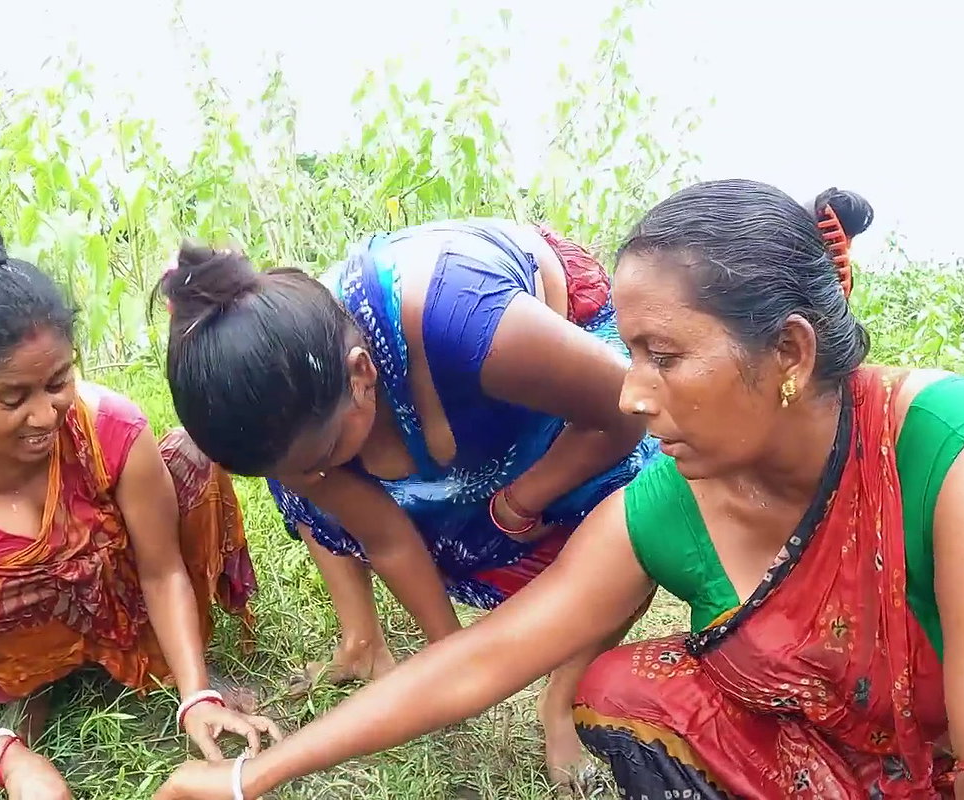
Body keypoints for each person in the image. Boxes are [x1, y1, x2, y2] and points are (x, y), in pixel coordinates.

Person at [153, 180, 964, 800]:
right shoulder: (668, 502)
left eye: (662, 354)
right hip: (828, 762)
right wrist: (255, 778)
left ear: (791, 352)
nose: (629, 389)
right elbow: (481, 657)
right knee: (628, 691)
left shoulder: (954, 446)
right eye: (628, 348)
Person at [156, 219, 657, 783]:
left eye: (323, 454)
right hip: (378, 403)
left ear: (362, 374)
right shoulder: (289, 413)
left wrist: (522, 500)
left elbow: (624, 413)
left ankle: (560, 699)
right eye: (289, 470)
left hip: (570, 377)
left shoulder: (465, 321)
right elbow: (386, 536)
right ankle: (362, 643)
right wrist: (452, 657)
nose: (315, 476)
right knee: (320, 488)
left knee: (634, 521)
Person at [0, 227, 280, 800]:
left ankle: (155, 660)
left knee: (191, 459)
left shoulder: (110, 429)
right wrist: (4, 758)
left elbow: (161, 570)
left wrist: (196, 694)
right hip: (26, 626)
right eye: (13, 398)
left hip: (123, 597)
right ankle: (30, 685)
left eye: (58, 382)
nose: (46, 414)